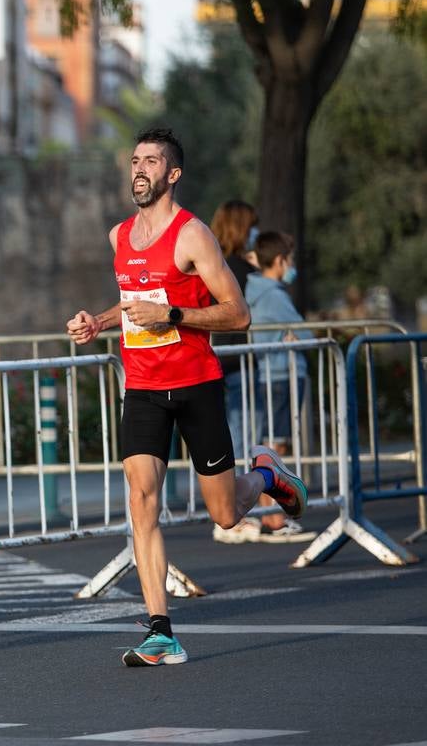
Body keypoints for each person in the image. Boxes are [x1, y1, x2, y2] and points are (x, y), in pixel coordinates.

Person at [66, 128, 307, 667]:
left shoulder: (192, 235)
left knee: (224, 514)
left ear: (172, 174)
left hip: (196, 384)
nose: (139, 169)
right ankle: (160, 630)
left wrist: (174, 315)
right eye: (134, 161)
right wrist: (98, 321)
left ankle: (267, 476)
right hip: (144, 387)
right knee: (141, 499)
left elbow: (238, 314)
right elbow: (135, 302)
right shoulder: (119, 236)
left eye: (151, 161)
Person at [221, 230, 313, 544]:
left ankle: (269, 516)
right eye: (290, 259)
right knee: (276, 448)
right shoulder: (272, 294)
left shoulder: (255, 290)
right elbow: (307, 334)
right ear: (279, 260)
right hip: (280, 375)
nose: (292, 265)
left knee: (270, 446)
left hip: (267, 375)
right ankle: (274, 518)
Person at [207, 199, 258, 457]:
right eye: (252, 228)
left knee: (214, 439)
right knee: (244, 438)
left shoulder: (208, 265)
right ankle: (242, 493)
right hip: (241, 359)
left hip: (213, 356)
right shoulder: (247, 271)